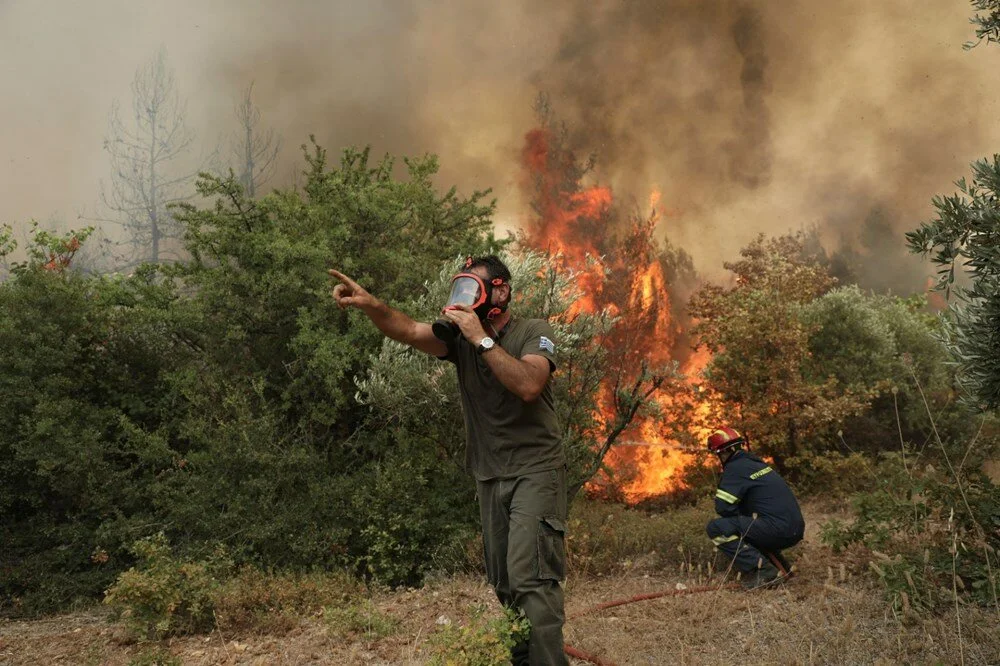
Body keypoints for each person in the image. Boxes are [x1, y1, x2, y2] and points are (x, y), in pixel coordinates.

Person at [329, 255, 568, 666]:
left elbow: (529, 384)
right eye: (461, 289)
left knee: (531, 579)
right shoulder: (459, 342)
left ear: (500, 292)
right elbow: (406, 329)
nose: (465, 299)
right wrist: (372, 305)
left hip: (535, 470)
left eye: (473, 289)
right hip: (489, 474)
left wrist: (482, 339)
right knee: (505, 582)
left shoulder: (533, 331)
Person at [705, 426, 805, 589]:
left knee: (717, 528)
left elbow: (723, 508)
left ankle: (763, 570)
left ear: (723, 453)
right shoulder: (755, 463)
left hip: (778, 530)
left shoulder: (734, 468)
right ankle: (781, 567)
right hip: (795, 528)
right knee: (748, 524)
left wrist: (739, 513)